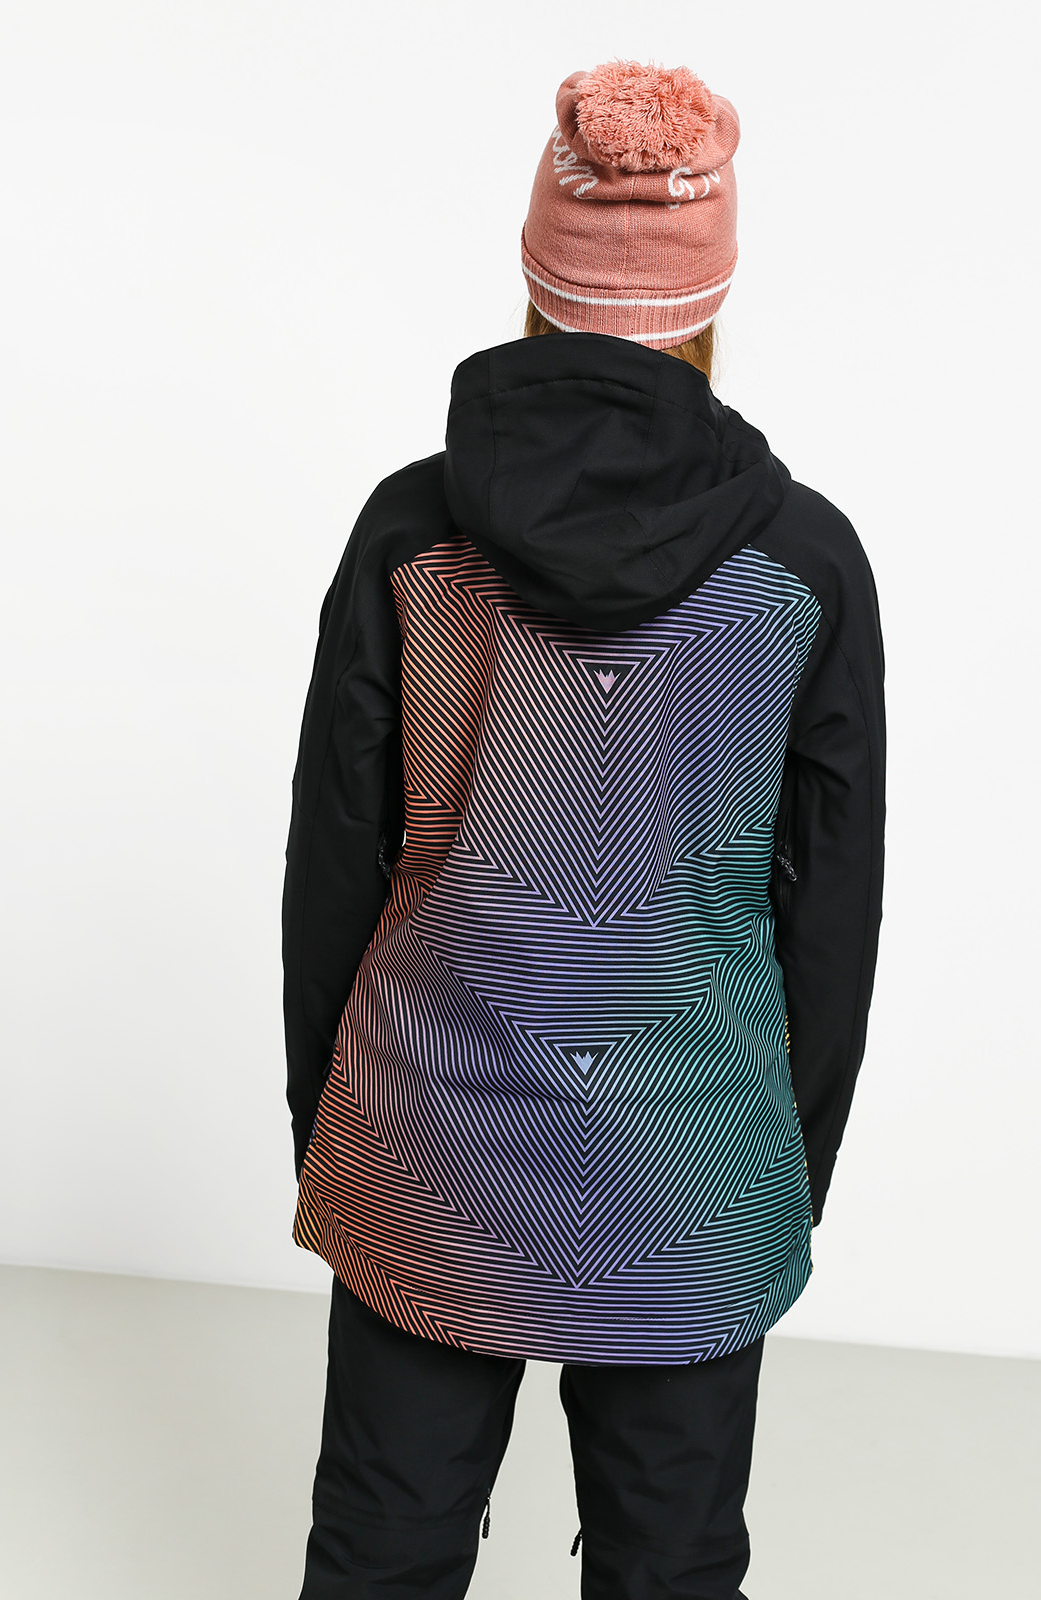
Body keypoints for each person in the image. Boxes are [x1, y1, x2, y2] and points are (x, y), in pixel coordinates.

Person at [281, 56, 886, 1600]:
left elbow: (335, 858)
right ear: (710, 299)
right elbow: (830, 908)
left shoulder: (409, 531)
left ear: (537, 283)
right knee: (669, 1564)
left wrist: (332, 1131)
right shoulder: (807, 563)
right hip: (694, 1157)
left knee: (383, 1551)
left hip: (426, 1137)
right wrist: (783, 1172)